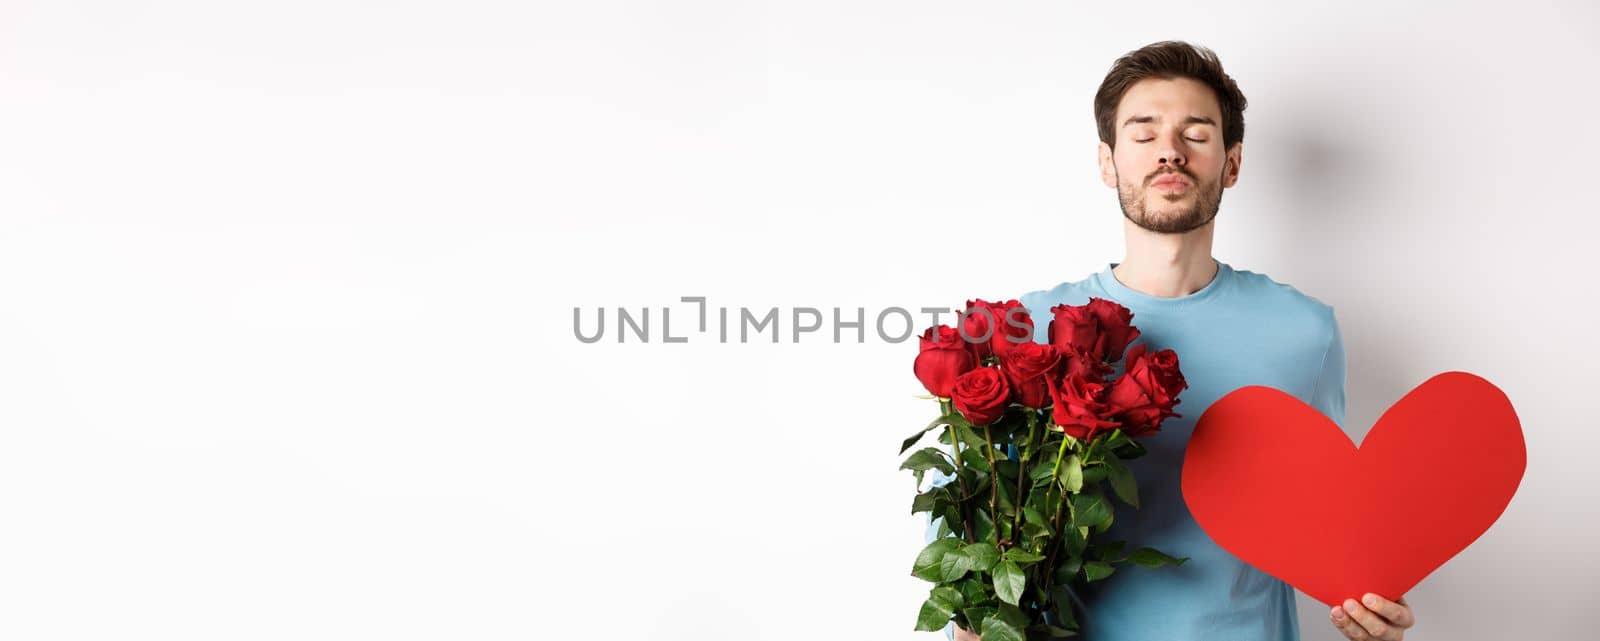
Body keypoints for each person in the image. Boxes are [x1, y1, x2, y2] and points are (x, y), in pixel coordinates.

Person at [922, 41, 1417, 641]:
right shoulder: (1028, 329)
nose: (1170, 152)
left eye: (1196, 133)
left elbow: (1331, 513)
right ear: (1108, 162)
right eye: (1143, 132)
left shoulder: (1304, 331)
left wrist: (1371, 608)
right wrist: (970, 627)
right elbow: (968, 516)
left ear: (1231, 163)